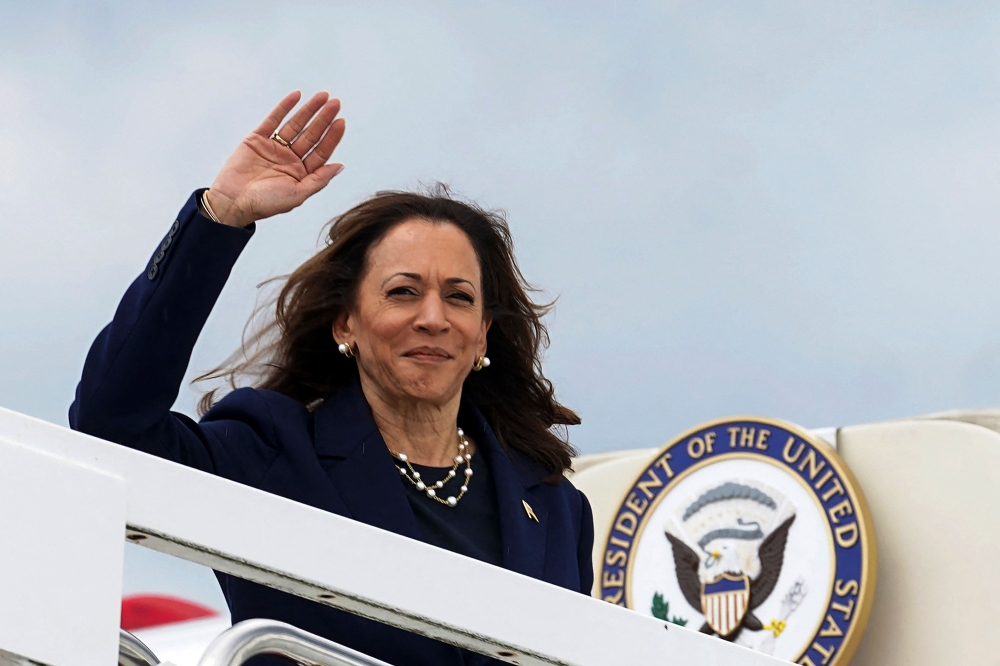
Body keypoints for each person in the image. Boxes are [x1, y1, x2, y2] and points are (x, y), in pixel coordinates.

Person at [69, 91, 594, 666]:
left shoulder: (556, 509)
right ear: (347, 323)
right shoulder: (273, 451)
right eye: (403, 292)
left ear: (483, 336)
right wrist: (221, 216)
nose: (433, 318)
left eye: (459, 298)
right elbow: (111, 423)